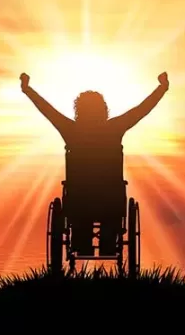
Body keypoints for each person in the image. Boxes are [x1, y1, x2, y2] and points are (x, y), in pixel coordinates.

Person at [20, 71, 169, 256]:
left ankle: (82, 242)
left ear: (78, 110)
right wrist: (161, 88)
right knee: (108, 211)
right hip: (111, 199)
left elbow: (47, 110)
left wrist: (27, 90)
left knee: (81, 214)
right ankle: (107, 241)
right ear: (103, 109)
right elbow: (141, 110)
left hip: (78, 199)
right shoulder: (115, 128)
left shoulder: (70, 130)